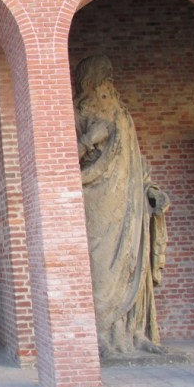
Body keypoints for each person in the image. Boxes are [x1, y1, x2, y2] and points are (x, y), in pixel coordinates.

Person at [74, 55, 170, 358]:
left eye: (109, 79)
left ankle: (131, 332)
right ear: (88, 83)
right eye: (101, 78)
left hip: (129, 204)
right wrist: (89, 140)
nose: (108, 85)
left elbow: (134, 164)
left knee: (131, 263)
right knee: (100, 265)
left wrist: (149, 191)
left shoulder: (122, 116)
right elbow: (63, 161)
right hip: (96, 200)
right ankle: (101, 332)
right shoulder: (77, 113)